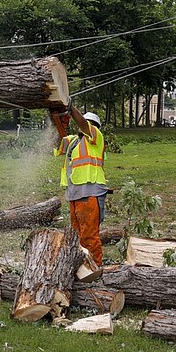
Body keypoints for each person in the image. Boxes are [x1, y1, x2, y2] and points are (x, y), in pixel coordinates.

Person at [54, 104, 108, 266]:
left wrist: (71, 109)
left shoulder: (96, 137)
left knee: (89, 236)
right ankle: (80, 266)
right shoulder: (72, 141)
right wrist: (58, 122)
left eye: (88, 123)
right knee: (76, 234)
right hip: (74, 193)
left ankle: (95, 268)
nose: (84, 125)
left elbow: (84, 125)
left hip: (90, 192)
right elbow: (57, 143)